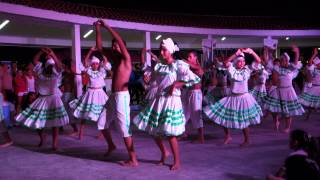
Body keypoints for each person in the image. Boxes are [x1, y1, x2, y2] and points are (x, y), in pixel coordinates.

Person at [134, 38, 201, 170]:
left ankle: (177, 161)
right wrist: (146, 80)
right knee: (153, 131)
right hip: (159, 100)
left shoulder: (178, 64)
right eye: (161, 49)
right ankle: (165, 152)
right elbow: (152, 80)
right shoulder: (158, 66)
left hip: (172, 101)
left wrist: (177, 84)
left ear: (170, 51)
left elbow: (195, 78)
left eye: (164, 50)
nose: (161, 52)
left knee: (170, 134)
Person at [95, 19, 138, 167]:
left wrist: (107, 27)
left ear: (123, 47)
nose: (115, 47)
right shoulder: (114, 59)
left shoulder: (126, 59)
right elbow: (99, 48)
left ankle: (133, 159)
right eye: (113, 45)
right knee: (101, 123)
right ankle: (111, 145)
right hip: (113, 96)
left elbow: (119, 39)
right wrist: (98, 29)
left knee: (124, 128)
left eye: (117, 45)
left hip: (122, 97)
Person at [204, 48, 263, 146]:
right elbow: (226, 62)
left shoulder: (247, 70)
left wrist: (252, 52)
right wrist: (236, 54)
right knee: (224, 117)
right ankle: (228, 136)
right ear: (236, 62)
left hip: (244, 98)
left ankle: (247, 140)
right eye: (239, 61)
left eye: (243, 61)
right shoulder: (231, 69)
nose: (242, 63)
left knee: (244, 120)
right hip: (232, 97)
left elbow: (259, 61)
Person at [16, 48, 69, 151]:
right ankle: (42, 137)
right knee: (37, 121)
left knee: (55, 123)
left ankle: (55, 144)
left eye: (52, 66)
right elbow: (35, 60)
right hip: (43, 98)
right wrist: (41, 51)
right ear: (46, 65)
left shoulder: (56, 73)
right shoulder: (40, 70)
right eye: (49, 65)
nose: (51, 67)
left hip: (54, 98)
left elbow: (58, 65)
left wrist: (52, 54)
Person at [69, 47, 110, 140]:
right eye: (93, 63)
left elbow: (106, 61)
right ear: (91, 64)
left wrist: (101, 51)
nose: (95, 65)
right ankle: (81, 134)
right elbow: (85, 62)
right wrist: (90, 51)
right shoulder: (89, 71)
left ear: (99, 64)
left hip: (100, 93)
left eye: (97, 63)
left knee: (102, 113)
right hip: (90, 93)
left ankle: (102, 133)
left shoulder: (102, 71)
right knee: (85, 113)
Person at [263, 46, 305, 133]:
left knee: (287, 111)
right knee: (274, 110)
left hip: (288, 92)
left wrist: (297, 52)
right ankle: (276, 121)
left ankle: (287, 127)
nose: (283, 61)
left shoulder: (291, 68)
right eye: (282, 60)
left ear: (288, 61)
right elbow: (266, 62)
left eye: (285, 60)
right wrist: (266, 50)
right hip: (278, 91)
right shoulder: (277, 68)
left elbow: (296, 62)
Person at [181, 51, 205, 143]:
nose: (188, 58)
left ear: (195, 58)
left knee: (196, 114)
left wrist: (183, 61)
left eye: (190, 57)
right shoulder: (188, 67)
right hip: (188, 92)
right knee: (183, 114)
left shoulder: (198, 67)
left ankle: (201, 137)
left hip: (195, 93)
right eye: (188, 57)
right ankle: (182, 133)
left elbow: (195, 67)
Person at [299, 48, 320, 120]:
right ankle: (308, 116)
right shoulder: (313, 68)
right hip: (314, 88)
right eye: (318, 63)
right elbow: (309, 63)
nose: (319, 64)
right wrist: (314, 54)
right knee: (311, 103)